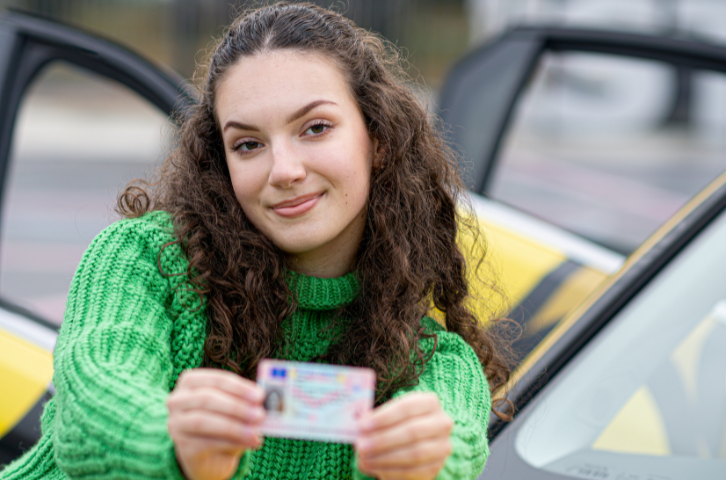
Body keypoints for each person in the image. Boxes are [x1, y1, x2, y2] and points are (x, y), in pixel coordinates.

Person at [0, 2, 512, 480]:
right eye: (248, 144)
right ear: (222, 162)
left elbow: (454, 443)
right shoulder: (143, 260)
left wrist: (422, 459)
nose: (284, 171)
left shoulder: (437, 363)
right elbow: (93, 408)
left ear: (377, 139)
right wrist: (171, 443)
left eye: (315, 128)